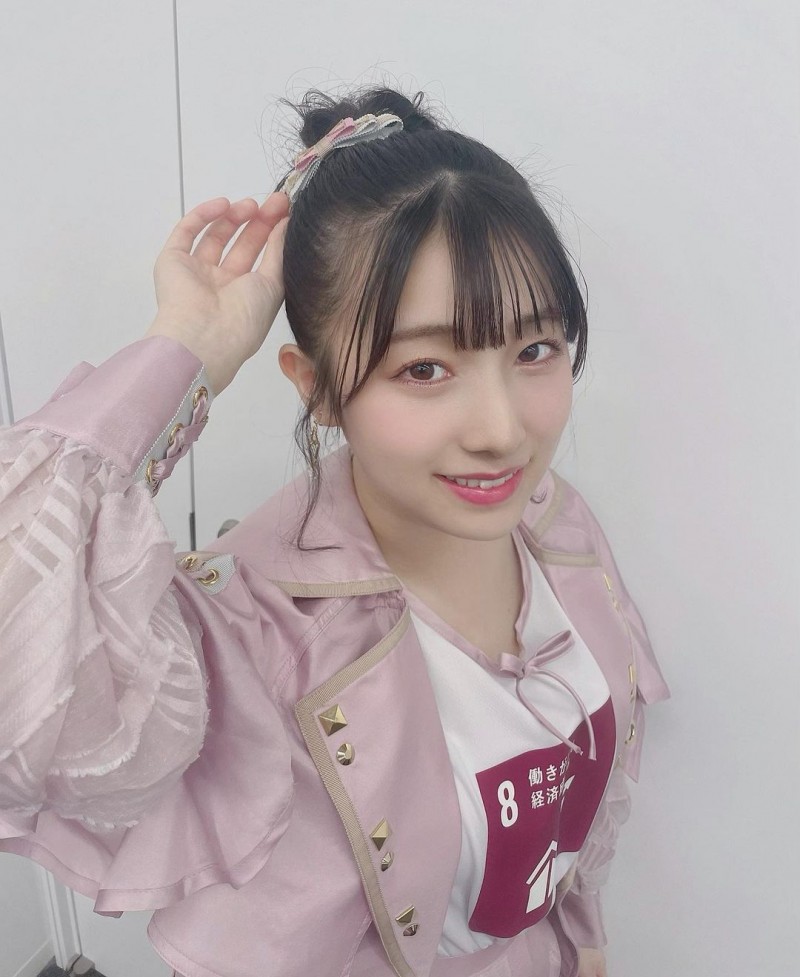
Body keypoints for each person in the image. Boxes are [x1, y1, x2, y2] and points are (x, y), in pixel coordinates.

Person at [0, 86, 670, 977]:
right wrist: (188, 346)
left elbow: (580, 808)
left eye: (535, 350)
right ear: (315, 386)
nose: (503, 429)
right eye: (425, 368)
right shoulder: (253, 633)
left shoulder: (554, 522)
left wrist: (585, 942)